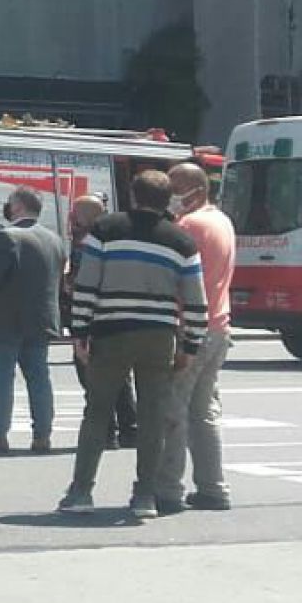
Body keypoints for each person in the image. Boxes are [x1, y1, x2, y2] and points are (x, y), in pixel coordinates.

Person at [56, 170, 208, 519]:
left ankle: (81, 492)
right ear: (166, 199)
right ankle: (144, 497)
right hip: (158, 336)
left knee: (97, 412)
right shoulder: (181, 242)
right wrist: (190, 346)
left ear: (133, 195)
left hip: (111, 332)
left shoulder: (105, 230)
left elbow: (86, 287)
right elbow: (196, 302)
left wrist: (80, 333)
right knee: (152, 417)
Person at [156, 162, 237, 512]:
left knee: (172, 411)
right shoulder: (222, 221)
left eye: (175, 190)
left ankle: (169, 489)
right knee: (204, 411)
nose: (170, 197)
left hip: (188, 327)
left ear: (197, 191)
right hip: (218, 325)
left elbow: (174, 279)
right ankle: (213, 487)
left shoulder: (188, 226)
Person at [0, 187, 66, 454]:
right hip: (42, 317)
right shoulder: (54, 238)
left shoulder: (6, 236)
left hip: (5, 319)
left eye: (11, 204)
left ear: (19, 207)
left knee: (1, 379)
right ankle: (42, 435)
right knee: (39, 378)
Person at [67, 192, 137, 449]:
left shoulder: (86, 245)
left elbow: (81, 285)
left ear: (84, 219)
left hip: (93, 319)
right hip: (119, 318)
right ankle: (130, 429)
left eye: (75, 215)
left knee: (94, 380)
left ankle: (106, 432)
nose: (71, 219)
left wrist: (79, 331)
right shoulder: (119, 241)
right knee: (121, 379)